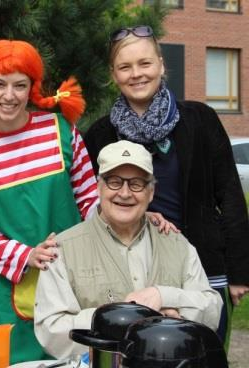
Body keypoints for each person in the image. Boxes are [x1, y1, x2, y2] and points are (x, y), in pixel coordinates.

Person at [34, 140, 249, 368]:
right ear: (99, 187)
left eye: (136, 184)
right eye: (114, 181)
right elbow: (51, 329)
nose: (124, 193)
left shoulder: (178, 244)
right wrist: (126, 319)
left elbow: (212, 310)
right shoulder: (63, 249)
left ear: (151, 192)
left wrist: (165, 295)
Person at [0, 39, 100, 364]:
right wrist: (27, 254)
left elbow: (91, 202)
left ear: (32, 88)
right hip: (6, 292)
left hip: (71, 278)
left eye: (19, 85)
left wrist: (131, 220)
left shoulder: (62, 131)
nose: (9, 96)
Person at [83, 25, 249, 348]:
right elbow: (92, 206)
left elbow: (229, 194)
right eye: (125, 67)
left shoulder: (200, 120)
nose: (137, 74)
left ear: (161, 64)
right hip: (134, 278)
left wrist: (239, 271)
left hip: (203, 270)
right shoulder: (100, 135)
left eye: (144, 63)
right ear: (113, 74)